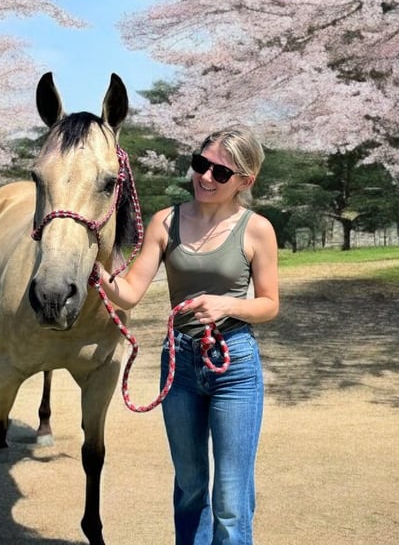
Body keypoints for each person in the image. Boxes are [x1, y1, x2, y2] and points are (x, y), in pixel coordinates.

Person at [98, 125, 279, 544]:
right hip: (179, 363)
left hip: (234, 363)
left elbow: (269, 304)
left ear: (245, 182)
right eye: (201, 164)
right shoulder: (168, 220)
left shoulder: (256, 230)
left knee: (231, 498)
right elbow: (129, 293)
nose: (206, 177)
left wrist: (228, 305)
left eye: (221, 172)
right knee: (191, 485)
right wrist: (98, 270)